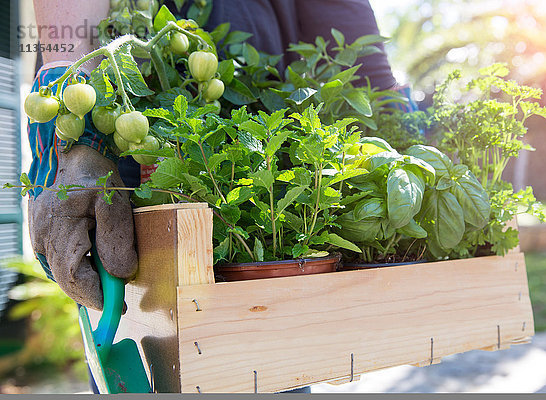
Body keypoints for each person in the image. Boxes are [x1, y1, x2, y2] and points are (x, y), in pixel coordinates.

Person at [27, 0, 418, 393]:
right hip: (119, 132)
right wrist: (77, 141)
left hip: (252, 124)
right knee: (148, 324)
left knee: (259, 360)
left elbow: (349, 30)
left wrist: (399, 123)